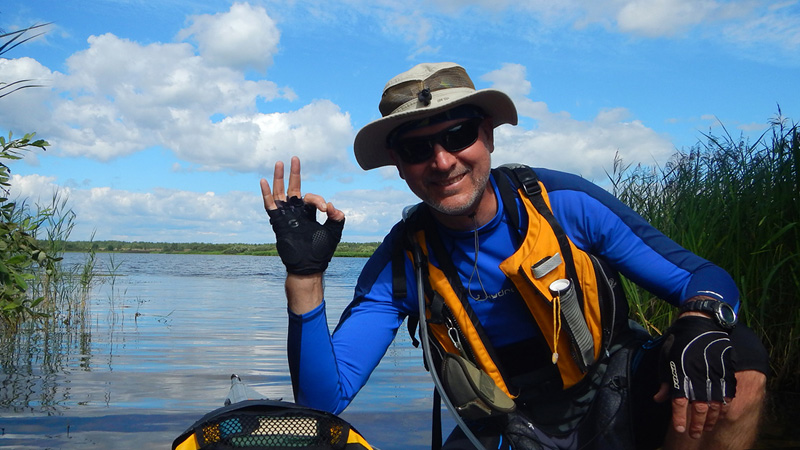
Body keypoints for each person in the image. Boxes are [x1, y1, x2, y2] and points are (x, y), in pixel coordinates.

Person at [259, 62, 768, 449]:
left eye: (457, 135)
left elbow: (702, 276)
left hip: (611, 390)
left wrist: (702, 321)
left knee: (735, 364)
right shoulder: (401, 260)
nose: (441, 161)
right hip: (499, 425)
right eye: (417, 149)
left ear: (488, 134)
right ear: (398, 164)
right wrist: (305, 276)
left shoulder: (565, 205)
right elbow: (322, 403)